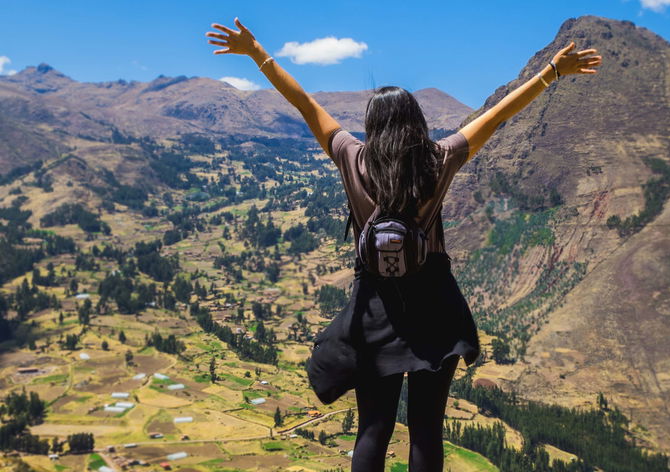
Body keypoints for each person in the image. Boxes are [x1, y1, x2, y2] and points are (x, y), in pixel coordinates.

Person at [206, 18, 601, 472]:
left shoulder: (350, 156)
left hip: (373, 311)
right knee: (427, 429)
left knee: (373, 427)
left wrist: (258, 54)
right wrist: (551, 71)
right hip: (435, 308)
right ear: (417, 121)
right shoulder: (440, 158)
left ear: (372, 125)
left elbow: (304, 103)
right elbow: (500, 115)